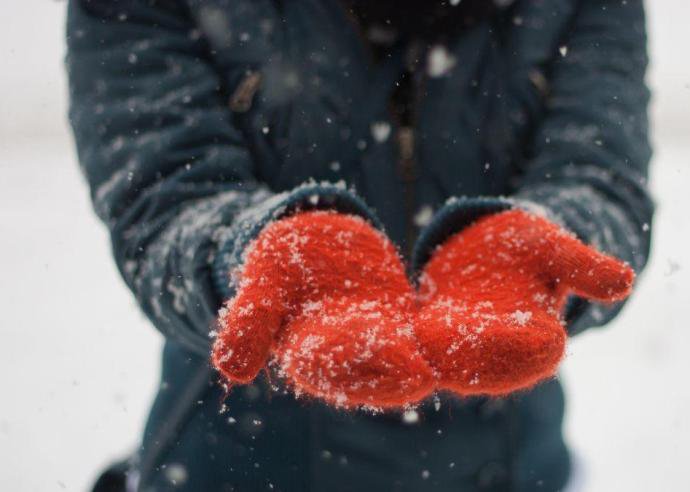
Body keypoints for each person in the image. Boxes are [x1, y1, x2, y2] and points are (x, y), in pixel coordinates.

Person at [67, 0, 653, 490]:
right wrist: (251, 252)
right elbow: (164, 197)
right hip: (236, 461)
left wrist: (557, 238)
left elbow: (599, 175)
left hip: (510, 465)